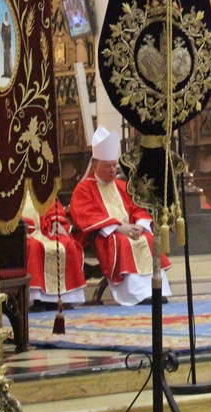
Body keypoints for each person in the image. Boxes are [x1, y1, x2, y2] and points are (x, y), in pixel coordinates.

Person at [70, 126, 172, 306]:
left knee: (148, 238)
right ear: (95, 166)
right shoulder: (84, 188)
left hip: (131, 230)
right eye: (107, 166)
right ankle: (136, 294)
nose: (112, 170)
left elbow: (137, 207)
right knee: (123, 242)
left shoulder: (121, 185)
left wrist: (140, 224)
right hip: (106, 235)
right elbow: (85, 215)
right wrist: (118, 227)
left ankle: (156, 289)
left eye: (114, 165)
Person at [22, 197, 86, 311]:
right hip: (22, 233)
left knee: (67, 244)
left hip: (45, 231)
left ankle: (61, 298)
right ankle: (36, 299)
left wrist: (55, 222)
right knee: (35, 246)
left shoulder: (41, 184)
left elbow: (52, 207)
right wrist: (21, 227)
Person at [1, 11, 13, 78]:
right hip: (5, 42)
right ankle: (5, 72)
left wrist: (10, 42)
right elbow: (2, 34)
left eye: (7, 16)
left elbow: (10, 34)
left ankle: (9, 72)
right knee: (5, 56)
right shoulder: (3, 24)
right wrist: (3, 41)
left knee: (8, 56)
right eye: (5, 15)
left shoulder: (9, 25)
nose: (6, 17)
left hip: (8, 42)